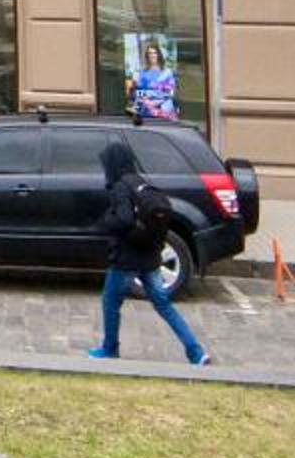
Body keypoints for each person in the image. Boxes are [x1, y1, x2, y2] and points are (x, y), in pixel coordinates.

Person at [88, 140, 212, 366]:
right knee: (164, 305)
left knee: (110, 302)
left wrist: (106, 221)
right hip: (151, 256)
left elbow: (124, 219)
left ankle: (109, 348)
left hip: (126, 259)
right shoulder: (140, 182)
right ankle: (196, 351)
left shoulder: (120, 187)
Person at [126, 37, 181, 121]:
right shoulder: (143, 73)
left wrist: (157, 99)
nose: (152, 55)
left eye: (154, 53)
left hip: (164, 108)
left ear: (158, 54)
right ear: (147, 56)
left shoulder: (167, 72)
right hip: (147, 109)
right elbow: (140, 92)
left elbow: (171, 92)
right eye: (150, 53)